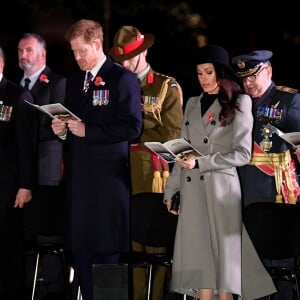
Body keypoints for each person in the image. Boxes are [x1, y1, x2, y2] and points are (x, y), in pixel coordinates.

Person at [163, 44, 277, 300]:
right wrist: (172, 190)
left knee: (224, 265)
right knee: (201, 261)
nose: (203, 78)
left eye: (208, 72)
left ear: (221, 74)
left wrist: (201, 162)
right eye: (199, 73)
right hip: (192, 190)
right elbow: (183, 151)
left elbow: (242, 154)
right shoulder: (192, 103)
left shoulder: (240, 102)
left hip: (221, 191)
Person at [51, 19, 142, 300]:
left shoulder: (122, 79)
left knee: (107, 262)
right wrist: (61, 131)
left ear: (97, 44)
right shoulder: (75, 81)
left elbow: (132, 127)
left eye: (81, 51)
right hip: (79, 184)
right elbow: (72, 126)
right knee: (81, 256)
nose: (77, 58)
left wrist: (89, 131)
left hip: (108, 185)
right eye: (73, 52)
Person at [109, 25, 183, 300]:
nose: (125, 64)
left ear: (145, 52)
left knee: (152, 244)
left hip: (150, 172)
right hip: (117, 170)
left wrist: (130, 132)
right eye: (122, 59)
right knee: (126, 242)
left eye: (131, 57)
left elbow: (172, 135)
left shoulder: (165, 85)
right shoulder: (114, 83)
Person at [231, 50, 300, 300]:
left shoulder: (288, 100)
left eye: (253, 75)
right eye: (244, 78)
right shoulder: (238, 102)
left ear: (269, 71)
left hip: (274, 188)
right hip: (241, 186)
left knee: (278, 259)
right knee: (248, 257)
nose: (248, 82)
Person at [17, 32, 67, 298]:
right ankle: (28, 288)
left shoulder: (57, 83)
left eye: (28, 50)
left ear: (42, 54)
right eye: (20, 50)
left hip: (47, 172)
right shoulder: (15, 86)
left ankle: (53, 290)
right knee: (26, 236)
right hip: (23, 172)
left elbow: (56, 128)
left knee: (48, 237)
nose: (23, 55)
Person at [0, 46, 37, 300]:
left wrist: (26, 184)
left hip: (7, 186)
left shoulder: (17, 94)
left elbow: (27, 144)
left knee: (8, 248)